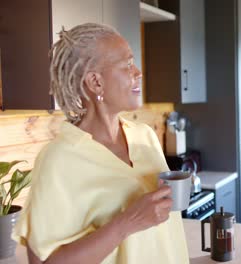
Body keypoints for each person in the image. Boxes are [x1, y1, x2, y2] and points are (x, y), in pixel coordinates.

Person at [12, 23, 189, 264]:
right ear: (96, 82)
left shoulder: (144, 136)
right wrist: (127, 222)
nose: (138, 72)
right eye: (127, 65)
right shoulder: (59, 159)